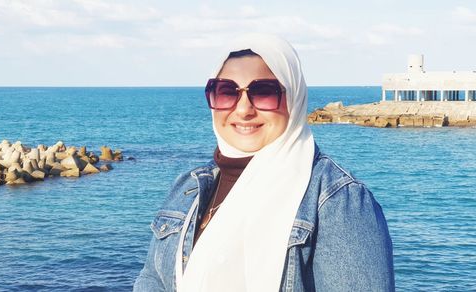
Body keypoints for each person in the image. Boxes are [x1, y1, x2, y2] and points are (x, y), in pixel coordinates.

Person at [133, 35, 394, 292]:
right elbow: (152, 280)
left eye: (263, 92)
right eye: (226, 92)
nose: (244, 109)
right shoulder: (189, 188)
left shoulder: (337, 201)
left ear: (293, 97)